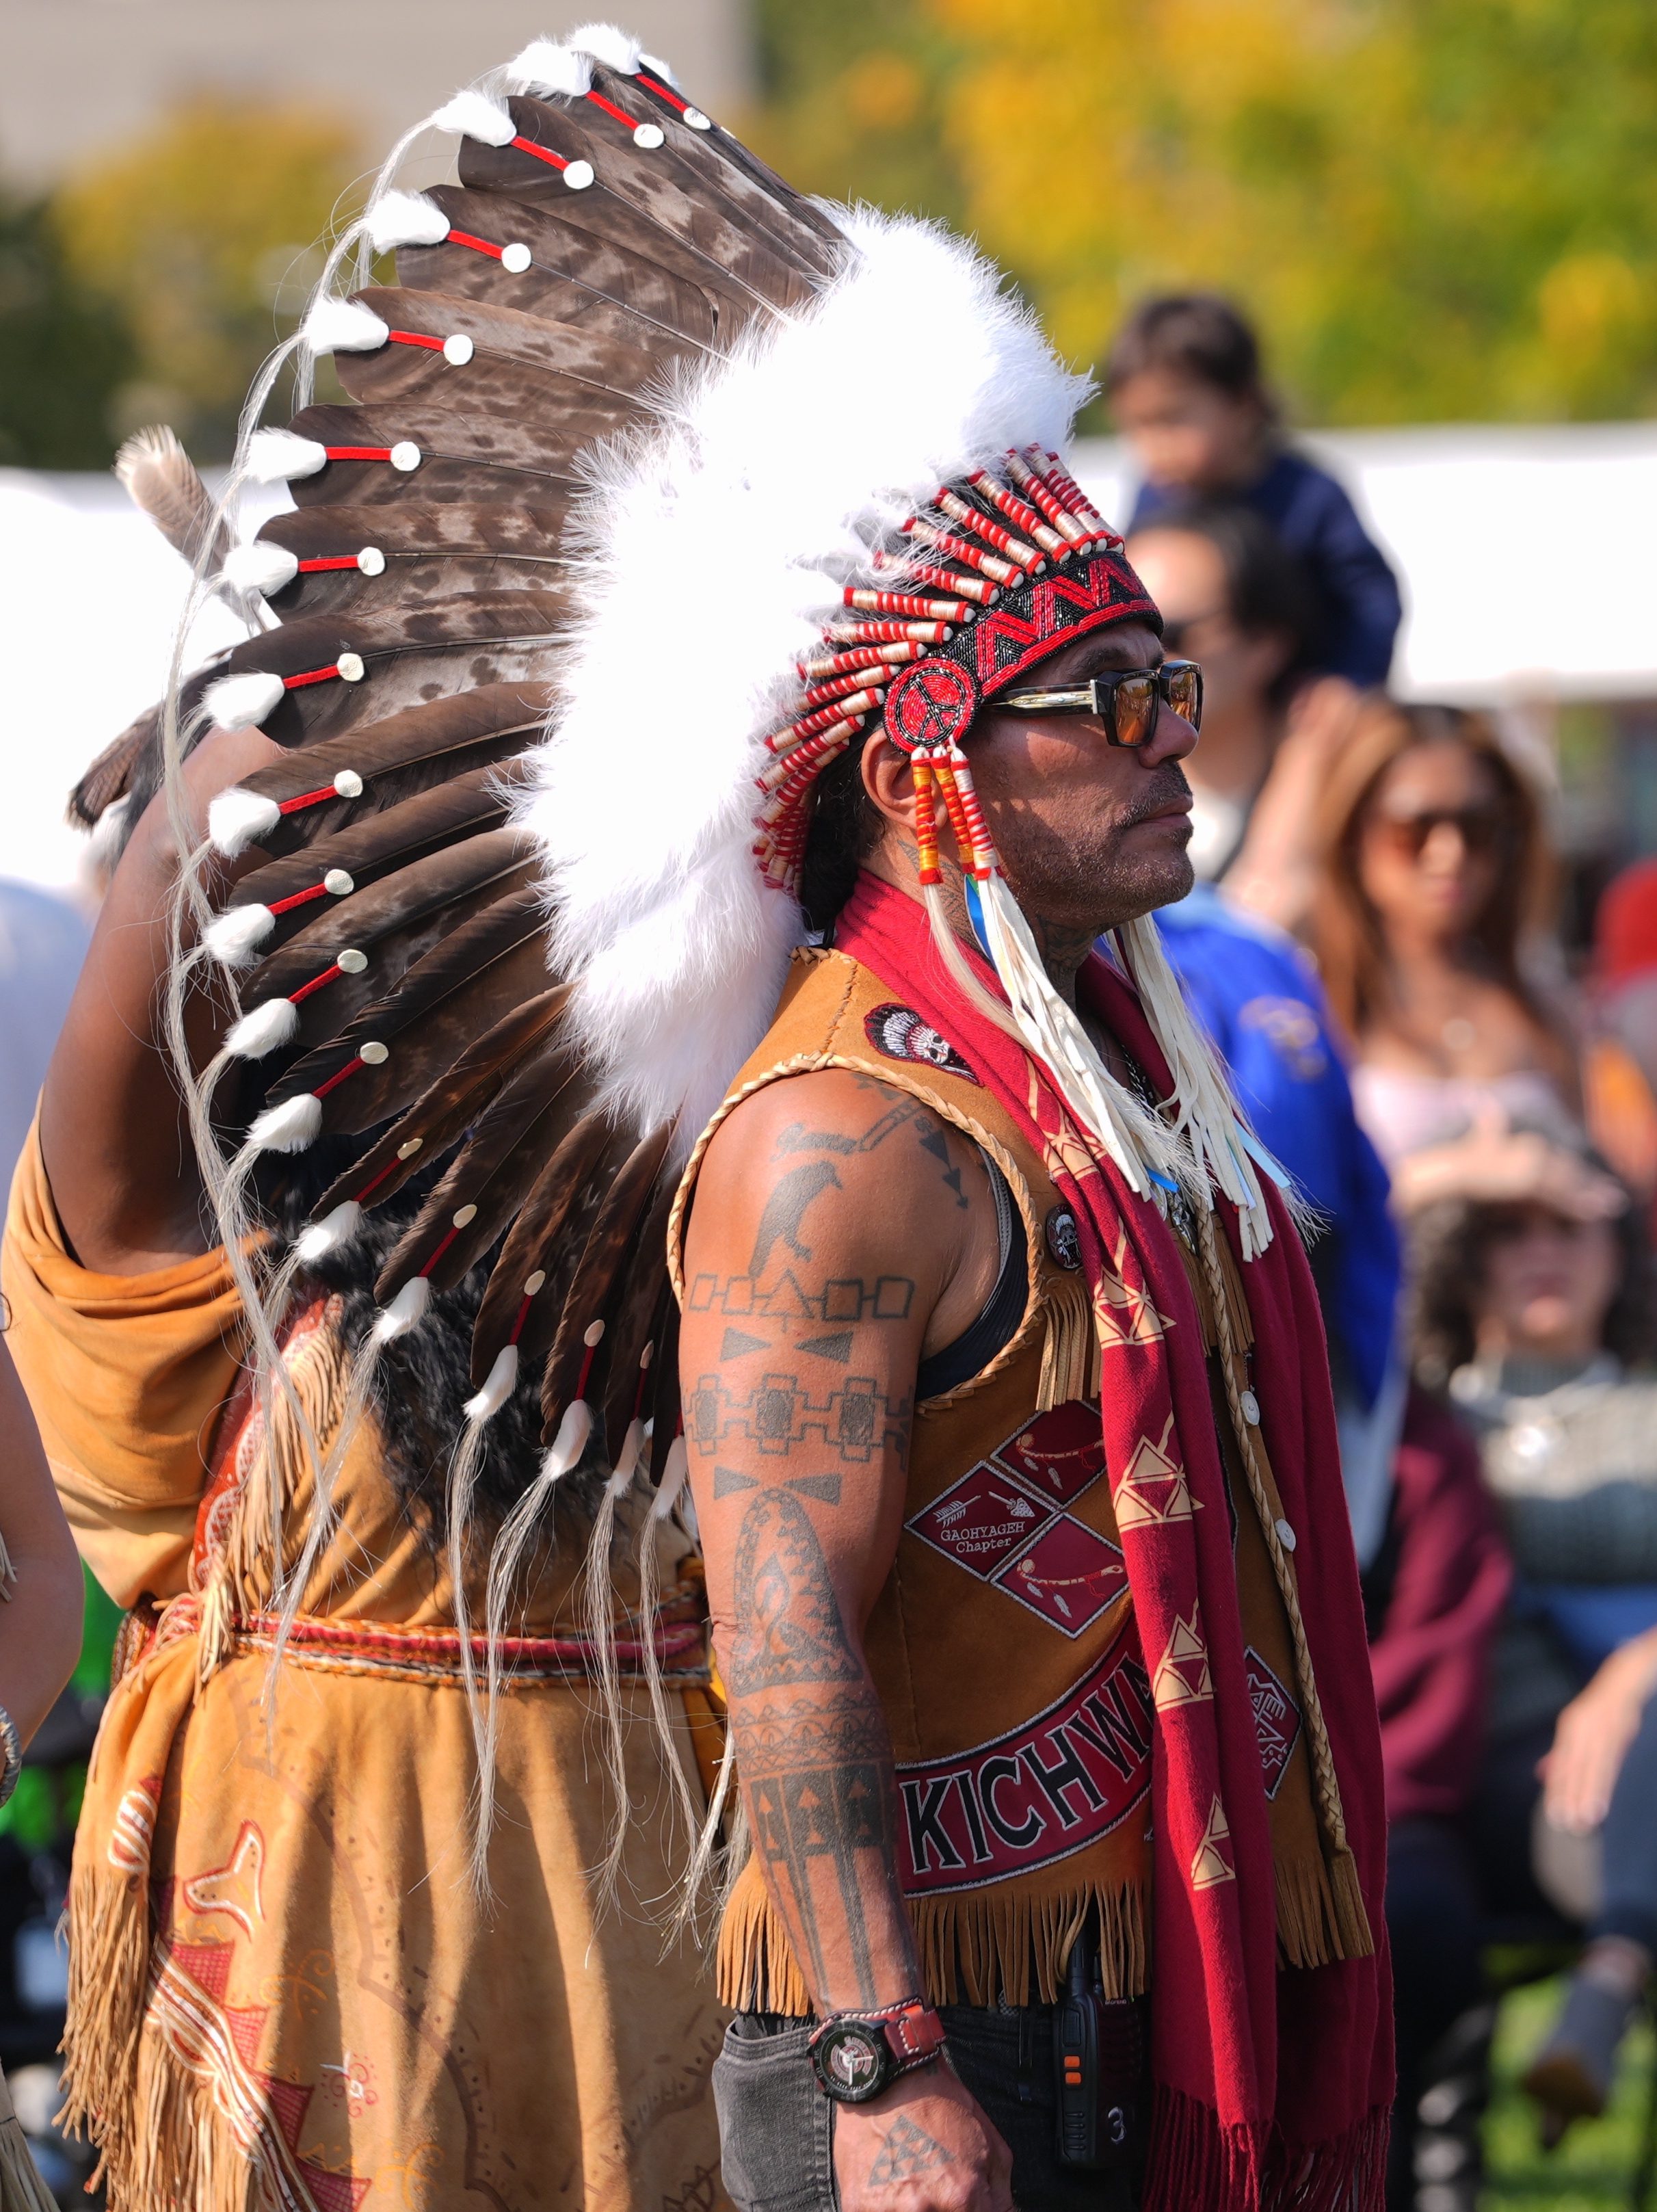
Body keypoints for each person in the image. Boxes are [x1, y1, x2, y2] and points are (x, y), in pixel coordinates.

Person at [1407, 1124, 1657, 2139]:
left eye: (1567, 1226)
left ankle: (1607, 1976)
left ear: (1618, 1251)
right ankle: (1599, 1990)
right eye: (1508, 1232)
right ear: (1464, 1260)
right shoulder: (1416, 1419)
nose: (1542, 1252)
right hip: (1488, 1771)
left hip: (1618, 1769)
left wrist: (1631, 1674)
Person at [1308, 700, 1578, 1176]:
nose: (1448, 853)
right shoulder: (1309, 1004)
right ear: (1352, 834)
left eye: (1478, 828)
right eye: (1413, 828)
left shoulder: (1547, 1006)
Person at [1109, 293, 1401, 694]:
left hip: (1303, 708)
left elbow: (1371, 603)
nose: (1155, 445)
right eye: (1137, 426)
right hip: (1200, 708)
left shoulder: (1310, 497)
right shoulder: (1154, 502)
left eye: (1172, 418)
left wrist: (1349, 684)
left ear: (1244, 405)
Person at [1123, 504, 1315, 889]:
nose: (1140, 662)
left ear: (1266, 644)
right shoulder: (1091, 806)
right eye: (1122, 632)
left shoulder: (1352, 809)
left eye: (1170, 634)